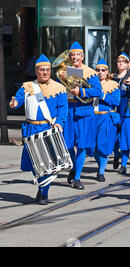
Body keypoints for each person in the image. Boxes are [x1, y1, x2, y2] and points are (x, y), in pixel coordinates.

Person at [10, 54, 68, 204]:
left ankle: (44, 193)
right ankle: (42, 188)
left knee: (48, 163)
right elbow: (18, 100)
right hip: (31, 129)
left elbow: (63, 109)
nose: (45, 72)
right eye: (42, 70)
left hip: (48, 128)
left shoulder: (59, 88)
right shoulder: (28, 87)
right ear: (36, 71)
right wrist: (14, 103)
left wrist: (60, 122)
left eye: (47, 70)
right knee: (35, 163)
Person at [63, 41, 103, 190]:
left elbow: (99, 91)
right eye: (72, 55)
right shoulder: (65, 71)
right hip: (69, 109)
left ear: (83, 56)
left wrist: (82, 92)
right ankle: (73, 167)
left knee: (81, 145)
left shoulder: (90, 72)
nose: (75, 57)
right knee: (67, 145)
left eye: (77, 54)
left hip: (84, 110)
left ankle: (78, 177)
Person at [93, 59, 120, 181]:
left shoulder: (113, 85)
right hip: (93, 117)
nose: (100, 72)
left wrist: (103, 96)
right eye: (98, 70)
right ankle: (100, 165)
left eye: (103, 70)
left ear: (107, 72)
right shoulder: (91, 83)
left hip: (106, 117)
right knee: (92, 146)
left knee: (103, 144)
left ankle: (101, 172)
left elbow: (117, 101)